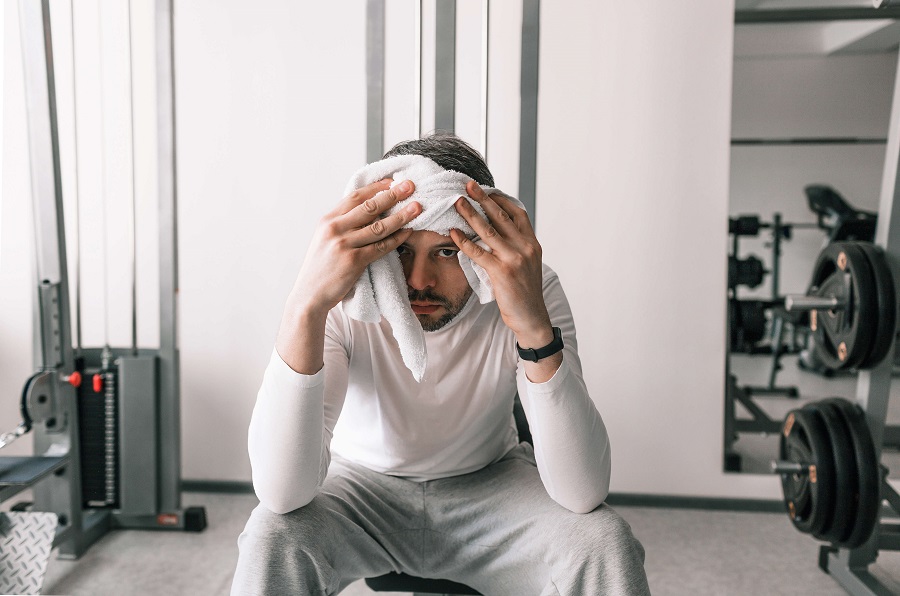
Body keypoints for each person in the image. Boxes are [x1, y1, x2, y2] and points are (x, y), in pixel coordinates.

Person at [232, 133, 650, 595]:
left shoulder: (527, 285)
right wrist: (304, 305)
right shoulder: (345, 290)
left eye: (447, 251)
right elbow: (279, 491)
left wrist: (532, 327)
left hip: (491, 487)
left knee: (602, 543)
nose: (419, 280)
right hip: (360, 493)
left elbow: (583, 490)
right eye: (402, 251)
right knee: (272, 537)